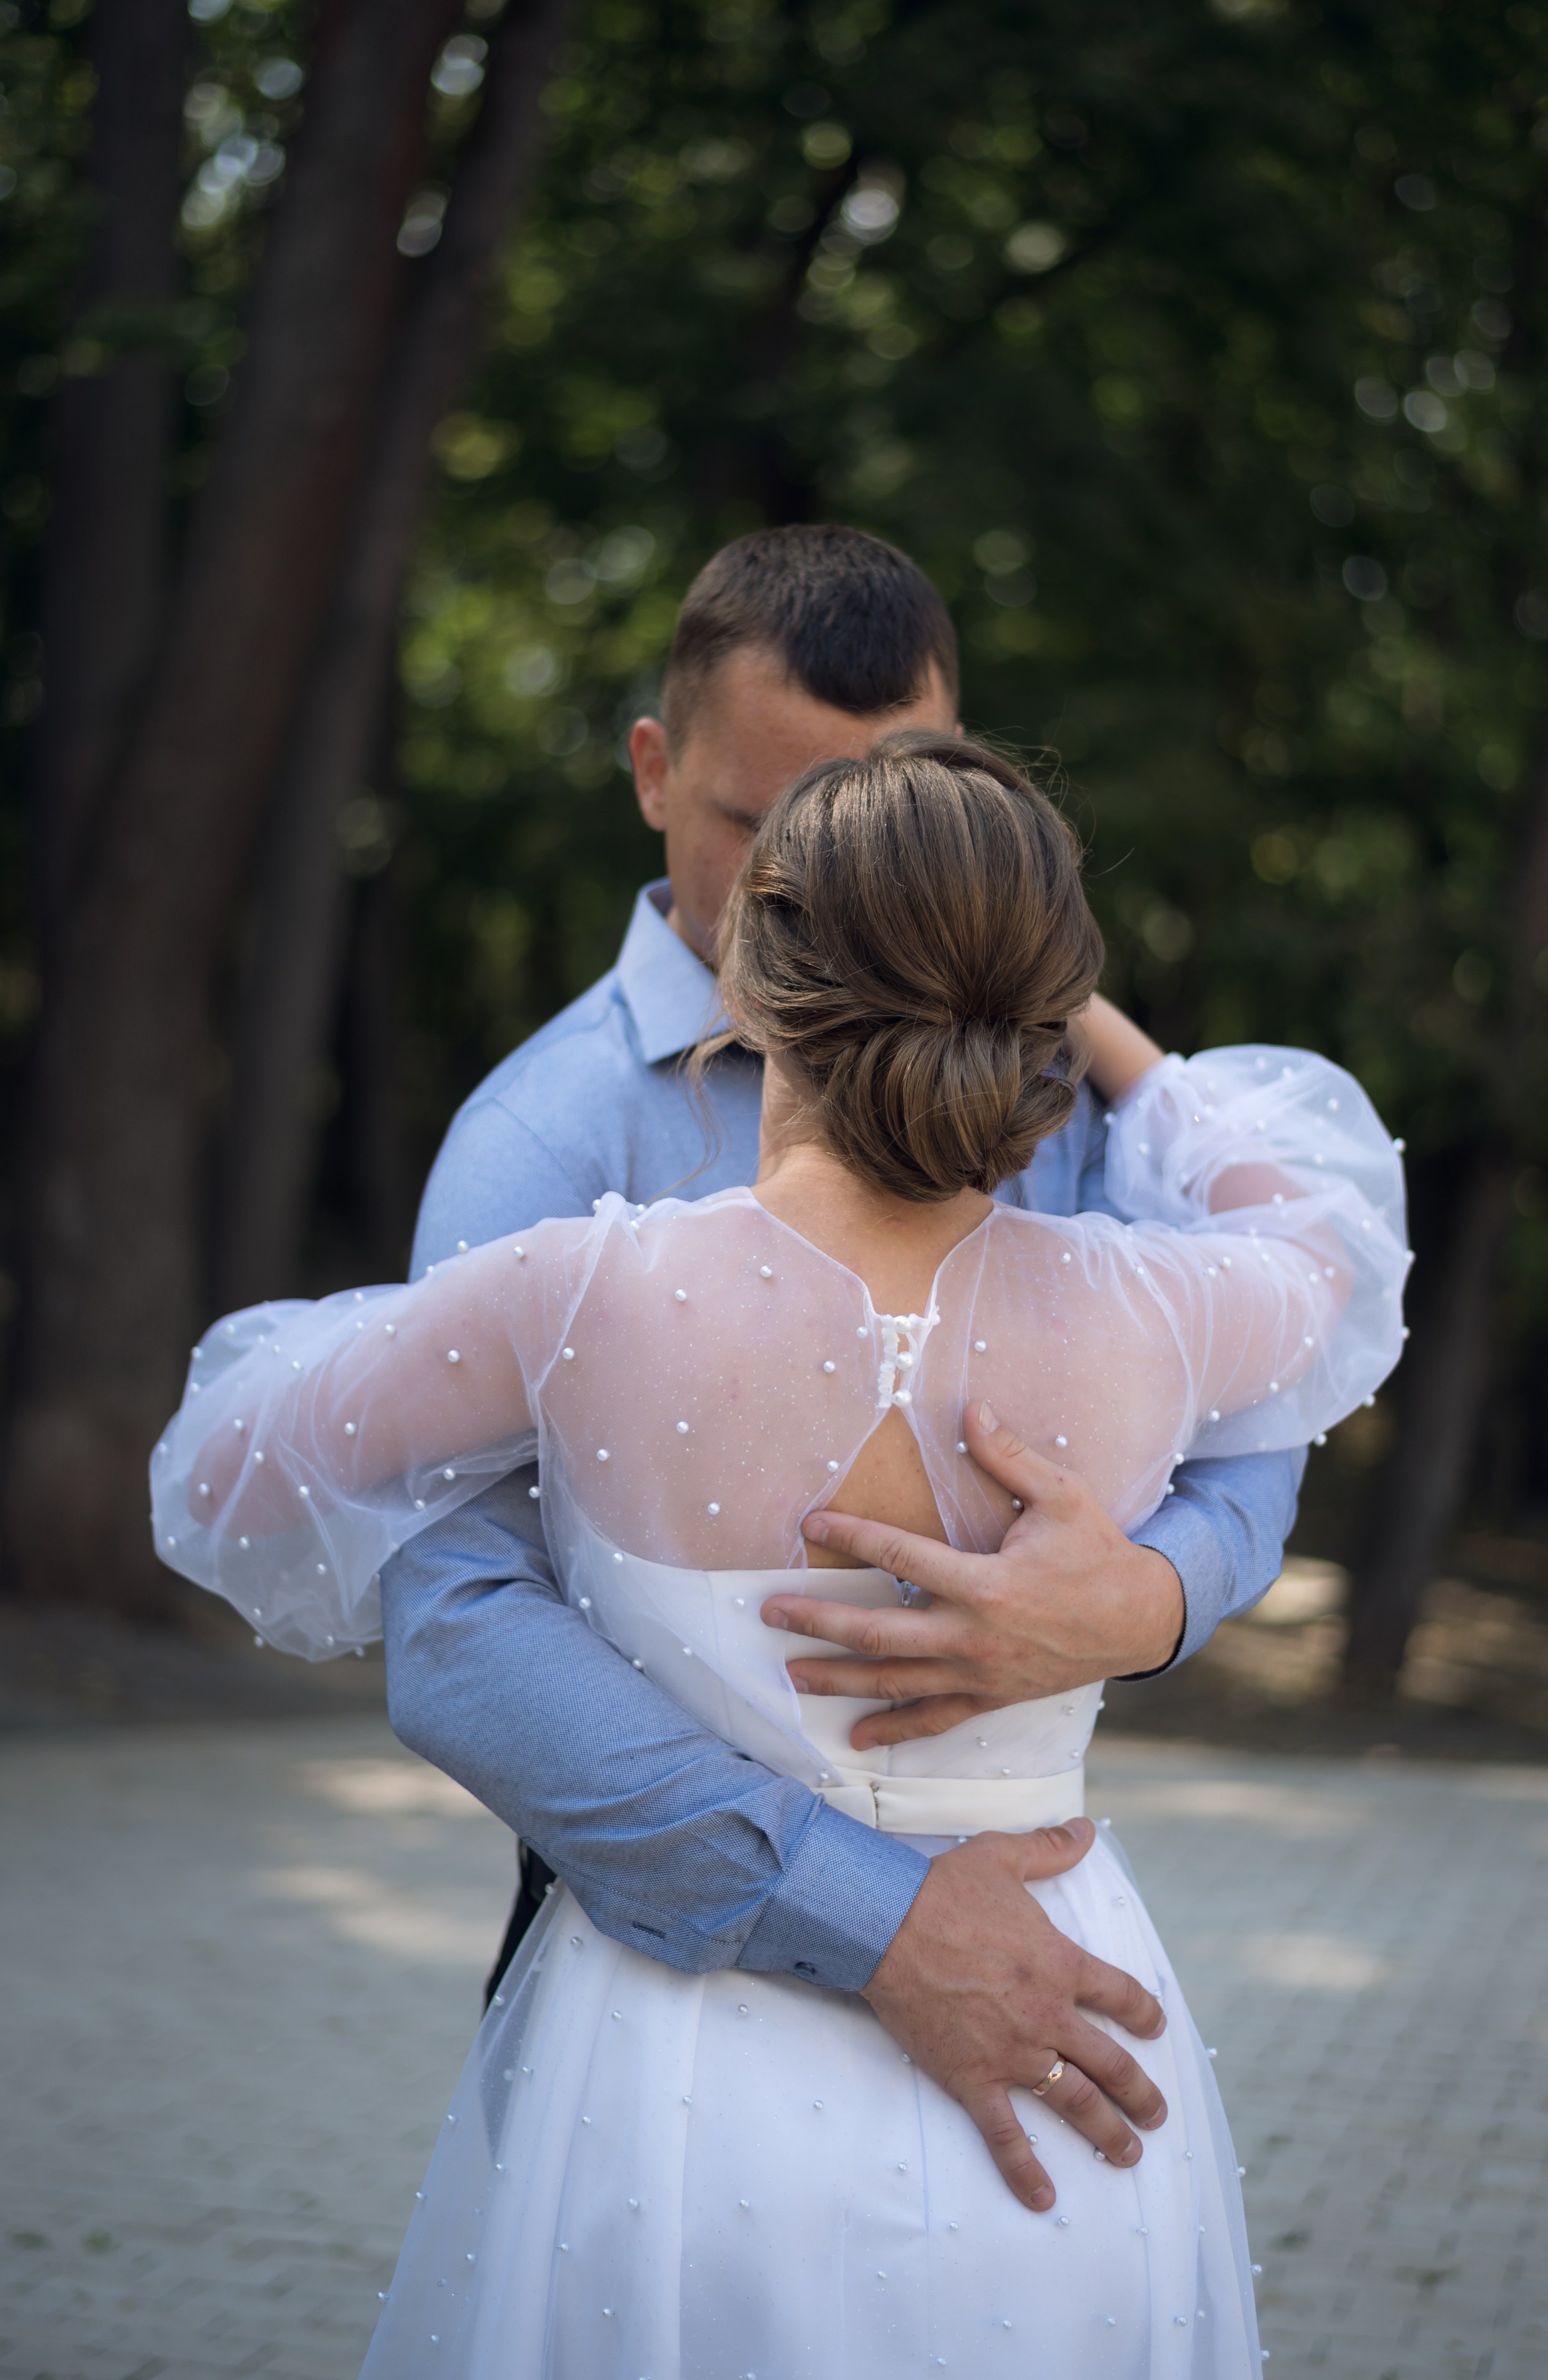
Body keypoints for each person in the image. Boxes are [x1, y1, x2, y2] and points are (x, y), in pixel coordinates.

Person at [152, 731, 1408, 2377]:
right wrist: (1086, 1021)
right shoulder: (1152, 1309)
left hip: (671, 2061)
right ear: (1038, 1010)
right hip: (1071, 2046)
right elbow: (1334, 1235)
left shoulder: (576, 1297)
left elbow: (227, 1476)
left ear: (749, 987)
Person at [380, 524, 1313, 2201]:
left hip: (1040, 1951)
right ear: (655, 773)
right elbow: (448, 1619)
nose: (853, 878)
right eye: (765, 820)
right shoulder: (540, 1140)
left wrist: (1156, 1596)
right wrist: (870, 1916)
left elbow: (1260, 1392)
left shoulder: (1034, 1079)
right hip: (670, 2002)